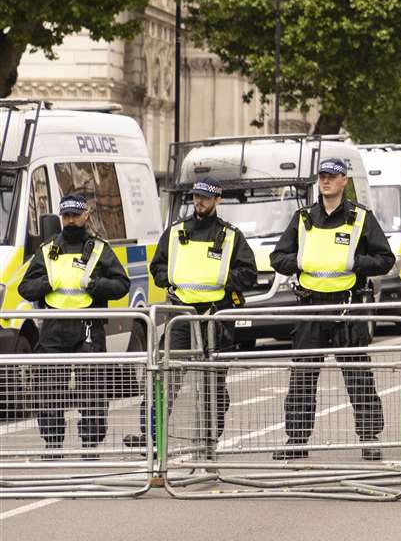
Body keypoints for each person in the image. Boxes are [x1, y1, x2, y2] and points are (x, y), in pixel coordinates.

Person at [268, 157, 396, 461]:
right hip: (310, 306)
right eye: (322, 176)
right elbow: (278, 257)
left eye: (332, 176)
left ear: (344, 181)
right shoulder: (303, 218)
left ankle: (369, 438)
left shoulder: (361, 217)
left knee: (357, 376)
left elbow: (385, 259)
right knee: (302, 376)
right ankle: (296, 440)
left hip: (346, 307)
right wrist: (299, 263)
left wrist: (354, 263)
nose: (326, 181)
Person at [128, 178, 257, 450]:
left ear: (217, 200)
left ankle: (209, 439)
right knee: (164, 378)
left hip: (215, 318)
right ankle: (150, 437)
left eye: (205, 197)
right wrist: (172, 280)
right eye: (196, 197)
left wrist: (220, 282)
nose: (199, 202)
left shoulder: (230, 235)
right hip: (181, 317)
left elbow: (248, 275)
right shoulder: (176, 232)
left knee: (213, 383)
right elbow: (158, 267)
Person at [18, 193, 130, 458]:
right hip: (54, 326)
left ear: (85, 216)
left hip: (87, 325)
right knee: (48, 388)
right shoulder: (47, 250)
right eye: (65, 215)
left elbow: (122, 285)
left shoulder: (100, 249)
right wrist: (45, 285)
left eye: (74, 215)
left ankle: (90, 445)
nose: (69, 220)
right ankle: (53, 444)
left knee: (91, 388)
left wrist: (96, 286)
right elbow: (25, 287)